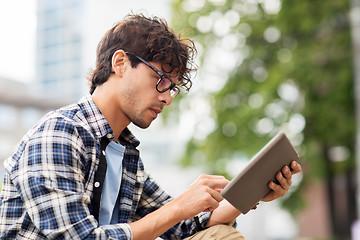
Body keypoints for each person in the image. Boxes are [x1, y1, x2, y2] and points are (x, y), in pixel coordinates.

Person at [0, 13, 302, 240]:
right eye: (160, 80)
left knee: (219, 235)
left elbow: (183, 226)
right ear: (120, 63)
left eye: (172, 88)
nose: (167, 98)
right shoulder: (60, 134)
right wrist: (178, 206)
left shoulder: (124, 153)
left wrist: (252, 193)